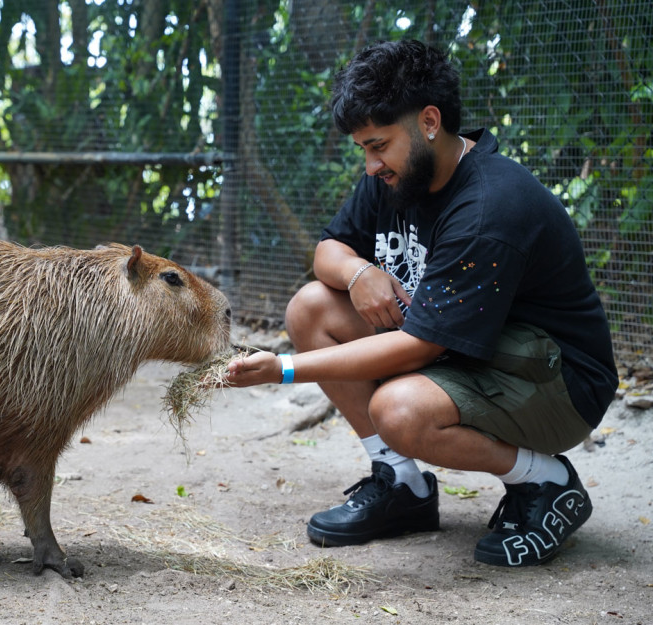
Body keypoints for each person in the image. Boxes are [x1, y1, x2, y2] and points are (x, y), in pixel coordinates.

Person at [224, 39, 618, 567]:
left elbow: (420, 347)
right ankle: (402, 484)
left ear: (429, 121)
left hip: (554, 381)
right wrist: (359, 271)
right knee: (312, 307)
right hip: (473, 351)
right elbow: (327, 252)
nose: (369, 165)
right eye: (363, 148)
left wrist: (284, 369)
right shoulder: (400, 175)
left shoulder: (488, 207)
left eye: (377, 145)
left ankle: (546, 482)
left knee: (400, 409)